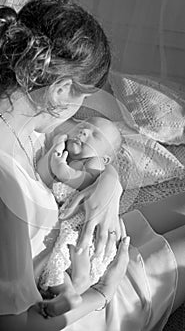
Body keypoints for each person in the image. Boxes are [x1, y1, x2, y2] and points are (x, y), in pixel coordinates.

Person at [0, 0, 184, 331]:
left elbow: (79, 165)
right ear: (60, 89)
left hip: (77, 246)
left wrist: (109, 186)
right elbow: (12, 327)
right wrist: (102, 292)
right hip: (76, 303)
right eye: (84, 99)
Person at [37, 117, 122, 305]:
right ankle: (67, 294)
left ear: (105, 157)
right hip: (66, 220)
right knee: (56, 263)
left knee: (73, 250)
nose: (84, 132)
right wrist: (58, 145)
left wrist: (63, 170)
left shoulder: (95, 163)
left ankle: (81, 280)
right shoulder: (65, 154)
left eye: (95, 135)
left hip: (82, 221)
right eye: (82, 126)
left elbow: (83, 181)